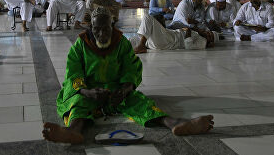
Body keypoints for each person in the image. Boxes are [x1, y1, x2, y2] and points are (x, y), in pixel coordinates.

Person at [42, 8, 215, 144]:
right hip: (87, 91)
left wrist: (125, 89)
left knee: (139, 102)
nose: (102, 35)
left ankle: (176, 123)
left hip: (116, 90)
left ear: (113, 26)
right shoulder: (80, 45)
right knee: (77, 103)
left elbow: (131, 68)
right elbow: (73, 73)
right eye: (96, 29)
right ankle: (73, 131)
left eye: (106, 29)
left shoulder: (121, 43)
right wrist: (87, 92)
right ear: (90, 28)